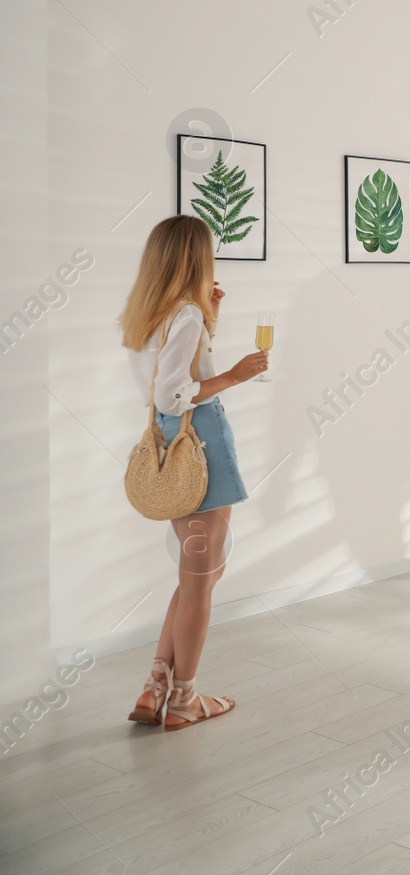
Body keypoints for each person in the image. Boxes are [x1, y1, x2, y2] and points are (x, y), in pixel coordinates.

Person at [121, 216, 268, 730]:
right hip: (200, 440)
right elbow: (174, 393)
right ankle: (184, 701)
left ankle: (155, 685)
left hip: (172, 443)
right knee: (201, 579)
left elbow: (165, 380)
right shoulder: (183, 315)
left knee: (198, 573)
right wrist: (234, 374)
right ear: (194, 257)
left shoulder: (150, 312)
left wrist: (211, 322)